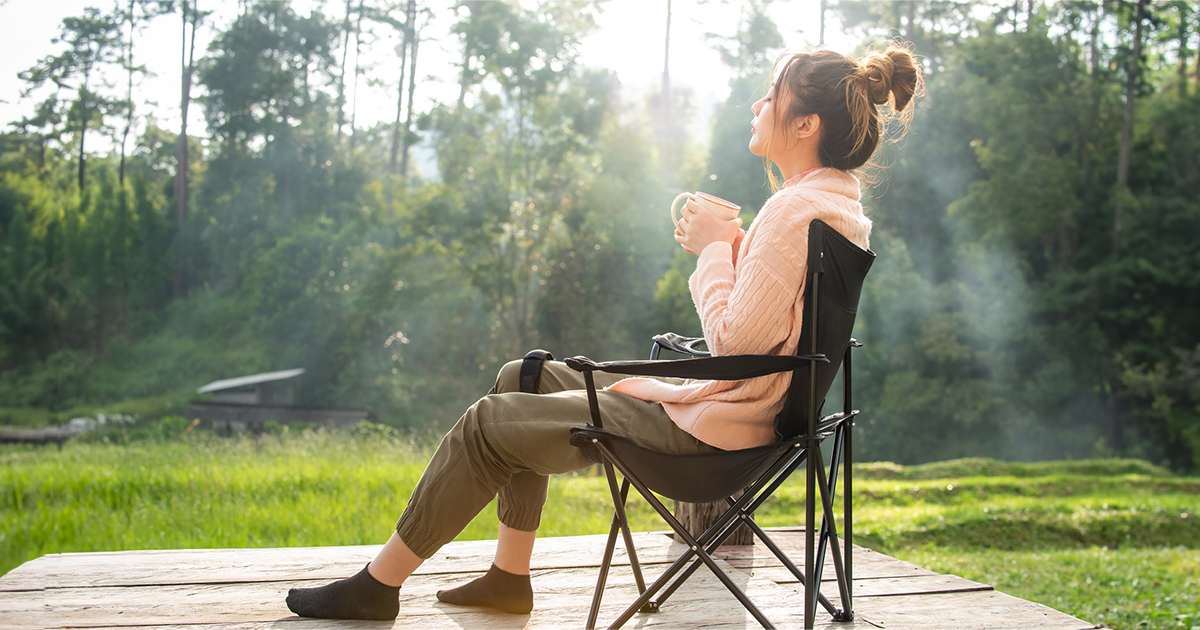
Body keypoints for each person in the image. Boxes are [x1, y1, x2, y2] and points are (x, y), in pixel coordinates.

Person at [285, 43, 923, 621]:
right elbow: (772, 337)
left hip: (718, 429)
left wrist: (711, 250)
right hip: (742, 411)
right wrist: (732, 245)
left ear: (806, 124)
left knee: (488, 422)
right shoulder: (833, 205)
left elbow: (735, 347)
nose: (758, 105)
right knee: (524, 378)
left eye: (772, 96)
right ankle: (509, 577)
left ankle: (378, 585)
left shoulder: (791, 211)